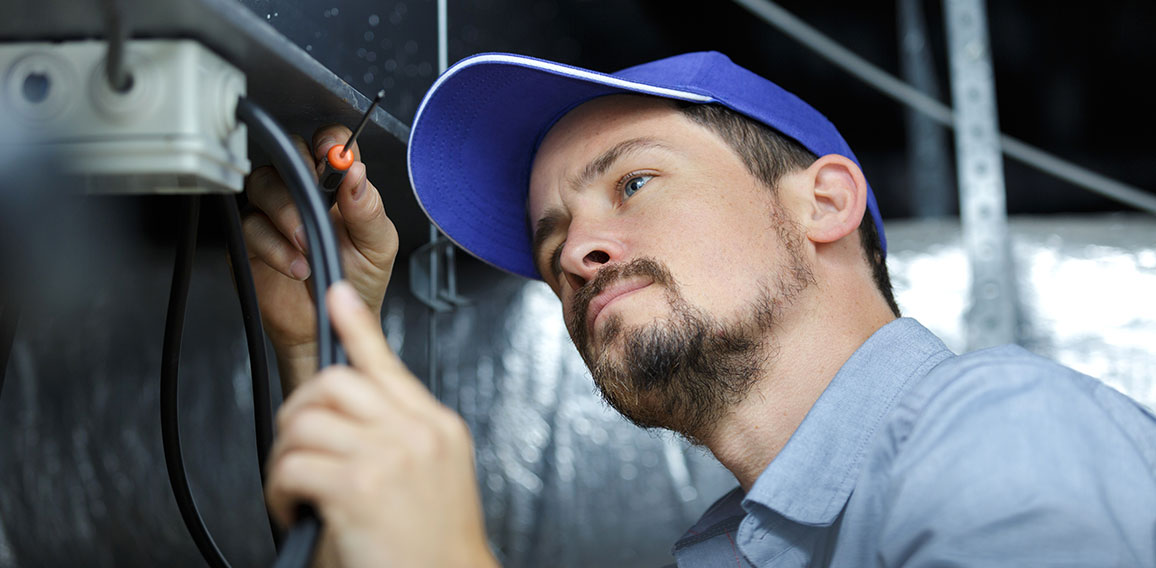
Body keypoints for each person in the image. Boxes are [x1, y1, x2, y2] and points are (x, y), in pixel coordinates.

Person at [246, 52, 1156, 567]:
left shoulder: (997, 433)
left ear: (824, 204)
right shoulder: (733, 555)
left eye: (634, 181)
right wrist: (324, 339)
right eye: (549, 235)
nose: (571, 253)